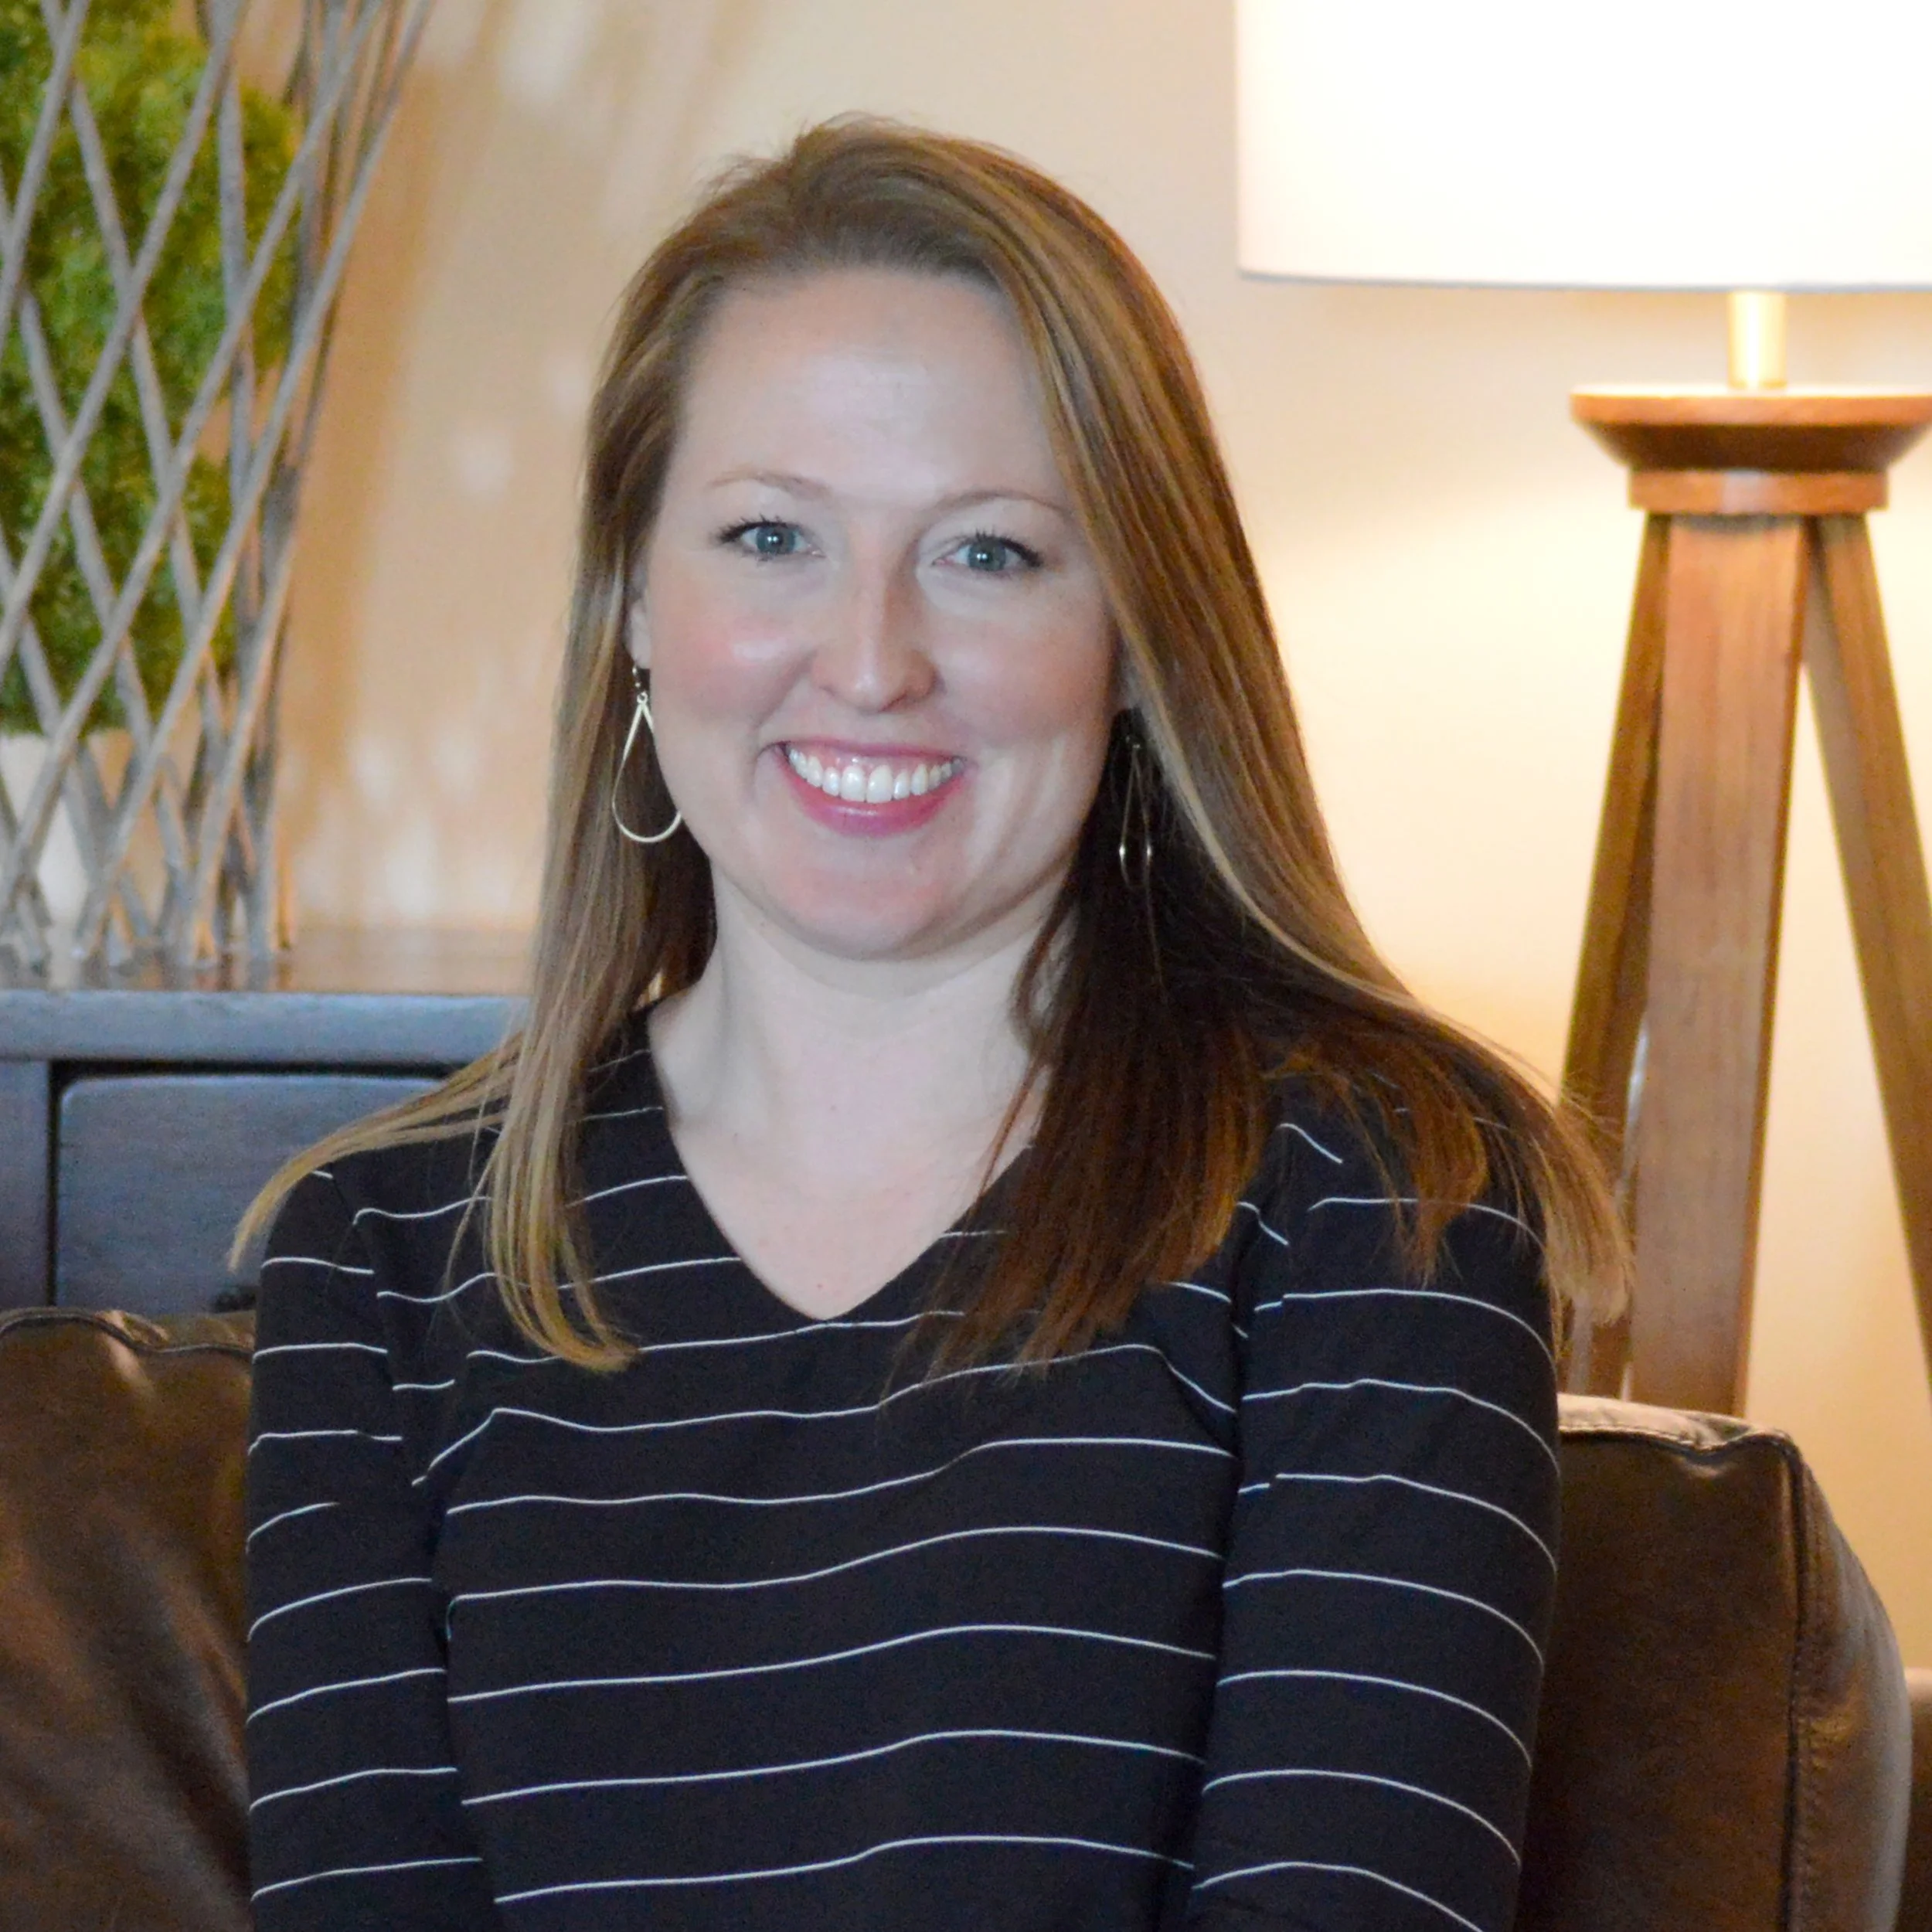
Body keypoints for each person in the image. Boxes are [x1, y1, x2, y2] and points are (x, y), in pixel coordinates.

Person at [240, 117, 1624, 1931]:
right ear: (636, 607)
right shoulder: (381, 1260)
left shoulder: (1377, 1198)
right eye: (767, 537)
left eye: (986, 555)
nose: (872, 656)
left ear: (1134, 635)